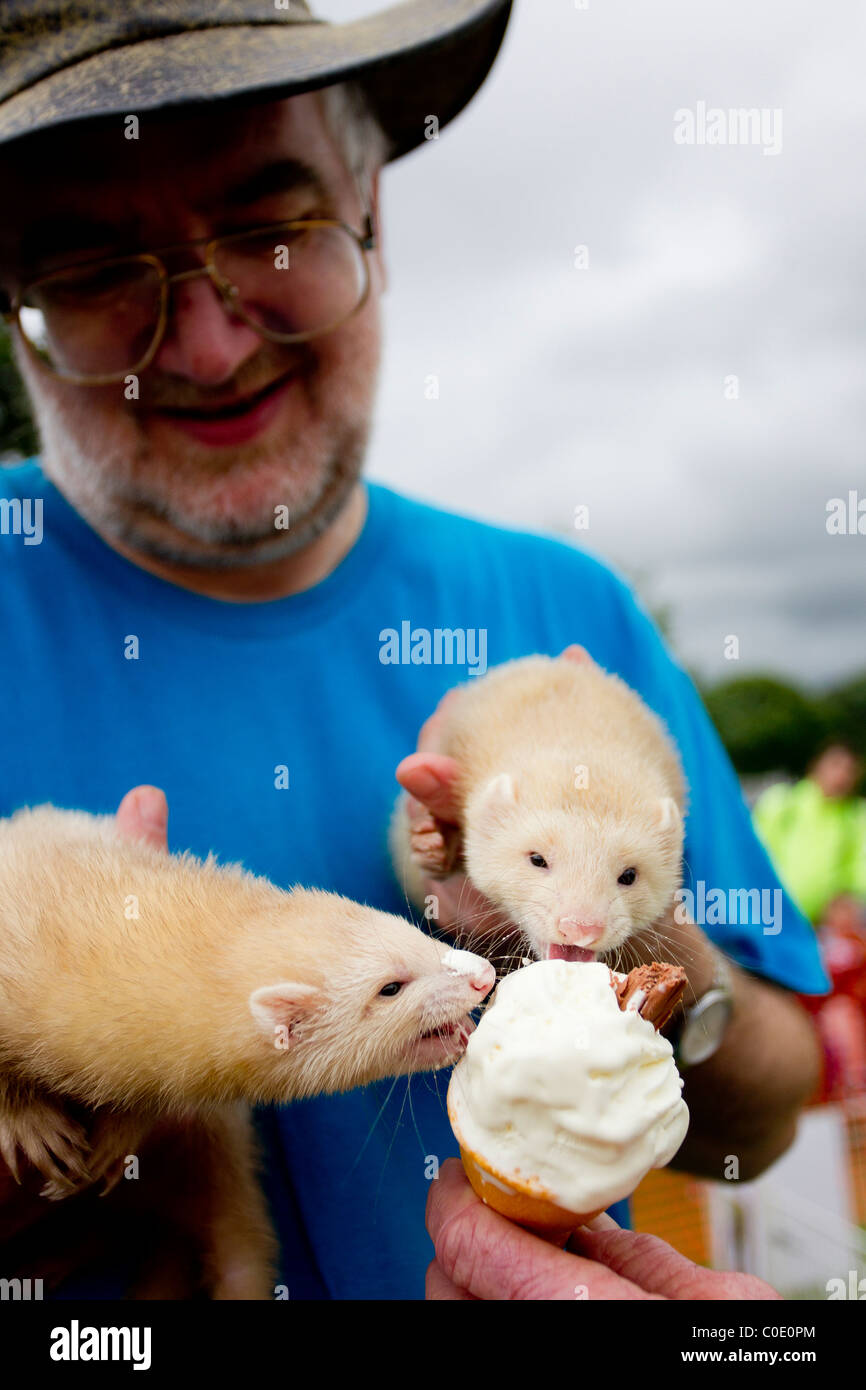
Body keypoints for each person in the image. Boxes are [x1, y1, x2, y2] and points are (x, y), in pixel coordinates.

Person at [0, 0, 826, 1300]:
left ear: (369, 204)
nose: (213, 346)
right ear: (14, 299)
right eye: (95, 269)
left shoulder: (568, 619)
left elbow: (762, 1124)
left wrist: (630, 939)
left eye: (272, 229)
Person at [754, 744, 866, 926]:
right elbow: (752, 855)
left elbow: (859, 870)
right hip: (768, 917)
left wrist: (850, 898)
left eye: (850, 771)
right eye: (836, 765)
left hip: (822, 928)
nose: (842, 776)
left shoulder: (856, 816)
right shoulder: (782, 802)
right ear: (816, 765)